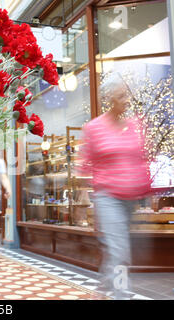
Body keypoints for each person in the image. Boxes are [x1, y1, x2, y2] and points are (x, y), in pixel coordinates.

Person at [78, 76, 152, 299]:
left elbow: (141, 159)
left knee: (116, 247)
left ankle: (103, 289)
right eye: (121, 95)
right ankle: (121, 292)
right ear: (109, 99)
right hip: (107, 196)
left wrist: (146, 193)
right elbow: (83, 166)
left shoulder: (134, 126)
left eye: (126, 94)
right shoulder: (94, 128)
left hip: (131, 198)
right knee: (119, 249)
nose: (126, 100)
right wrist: (82, 201)